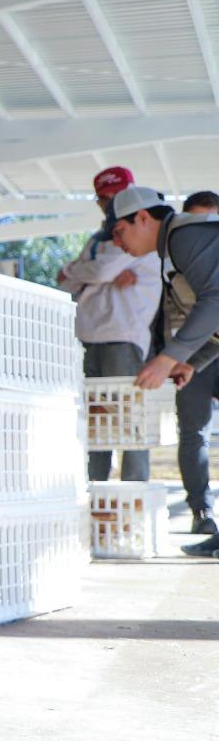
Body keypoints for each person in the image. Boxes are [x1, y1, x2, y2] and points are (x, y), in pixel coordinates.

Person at [108, 186, 219, 557]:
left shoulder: (185, 236)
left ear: (142, 217)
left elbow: (217, 300)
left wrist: (167, 358)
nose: (117, 243)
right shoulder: (172, 249)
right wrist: (193, 361)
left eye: (119, 231)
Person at [57, 167, 160, 483]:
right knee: (95, 425)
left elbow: (92, 273)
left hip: (123, 337)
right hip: (88, 338)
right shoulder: (96, 241)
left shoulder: (140, 232)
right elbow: (64, 281)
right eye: (102, 198)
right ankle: (95, 494)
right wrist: (93, 272)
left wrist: (86, 272)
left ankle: (134, 498)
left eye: (114, 196)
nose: (108, 204)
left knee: (130, 422)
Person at [172, 191, 219, 536]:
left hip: (204, 350)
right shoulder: (174, 260)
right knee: (193, 436)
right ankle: (201, 513)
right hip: (191, 358)